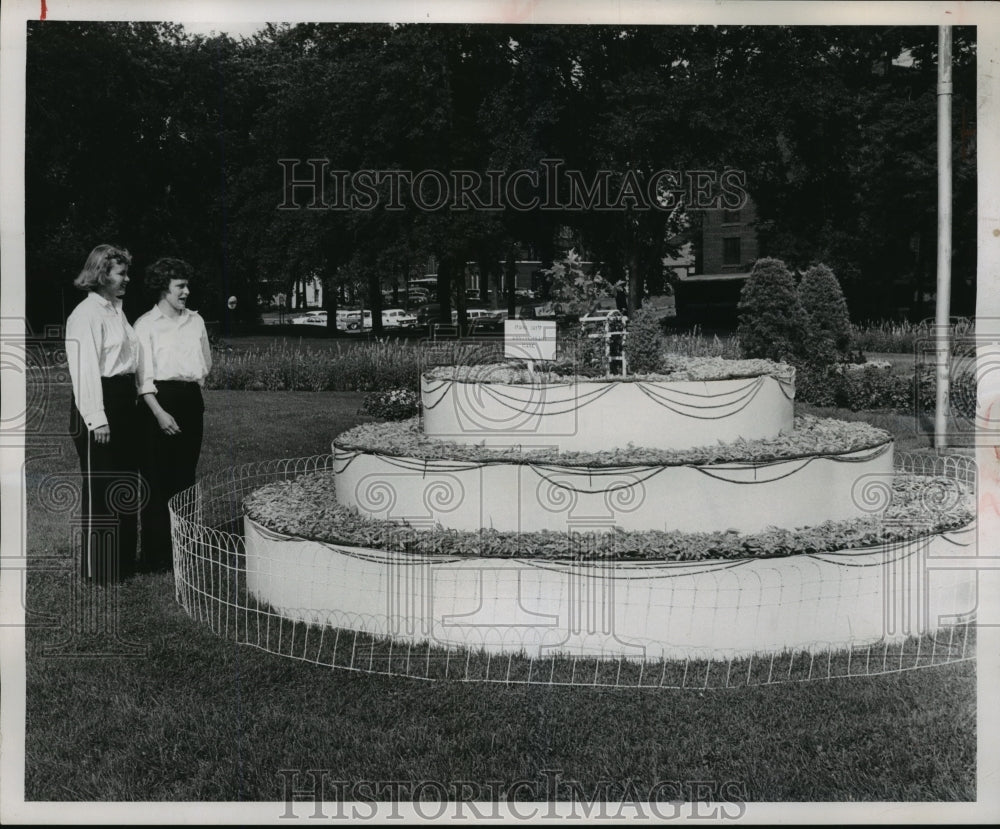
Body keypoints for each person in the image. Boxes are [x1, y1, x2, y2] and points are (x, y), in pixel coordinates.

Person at [65, 244, 141, 584]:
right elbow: (84, 370)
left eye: (126, 272)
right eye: (120, 273)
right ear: (101, 275)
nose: (127, 278)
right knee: (101, 487)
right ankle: (100, 570)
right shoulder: (86, 315)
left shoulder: (116, 311)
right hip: (100, 404)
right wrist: (98, 418)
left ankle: (122, 564)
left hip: (123, 402)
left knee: (123, 485)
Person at [134, 257, 212, 572]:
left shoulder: (196, 321)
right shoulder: (145, 325)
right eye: (180, 286)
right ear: (163, 287)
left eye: (187, 285)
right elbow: (142, 378)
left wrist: (192, 382)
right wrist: (160, 413)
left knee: (184, 478)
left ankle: (181, 551)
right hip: (157, 405)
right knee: (157, 480)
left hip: (190, 402)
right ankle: (155, 557)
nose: (186, 291)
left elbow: (206, 362)